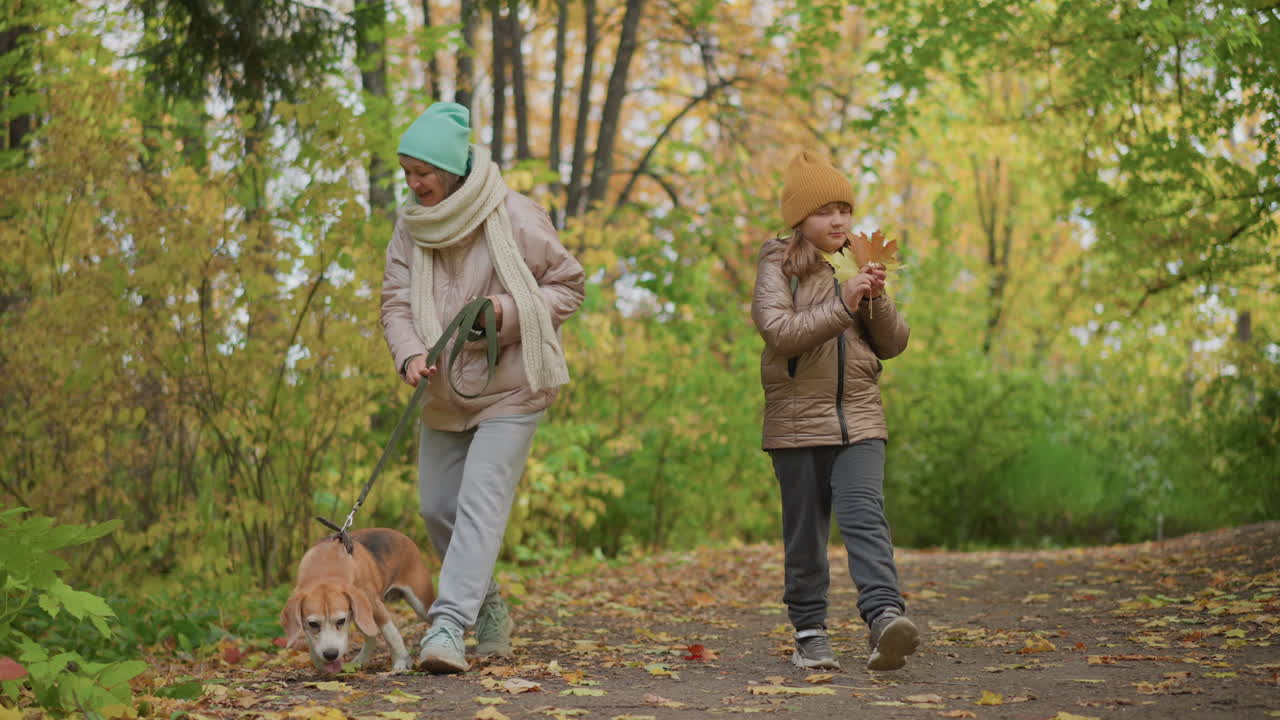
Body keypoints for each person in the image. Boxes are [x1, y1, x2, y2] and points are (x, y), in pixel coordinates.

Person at [380, 102, 585, 673]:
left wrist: (504, 310)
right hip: (443, 390)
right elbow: (396, 302)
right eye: (406, 173)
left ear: (451, 170)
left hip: (513, 387)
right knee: (437, 506)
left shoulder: (515, 215)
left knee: (479, 503)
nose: (413, 184)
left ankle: (448, 627)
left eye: (422, 173)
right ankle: (488, 600)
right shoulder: (411, 226)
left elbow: (568, 286)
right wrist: (411, 354)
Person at [749, 149, 920, 672]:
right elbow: (779, 332)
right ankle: (810, 631)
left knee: (865, 517)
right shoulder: (777, 261)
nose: (839, 219)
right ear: (799, 217)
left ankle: (885, 618)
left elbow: (893, 344)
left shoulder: (858, 255)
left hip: (861, 418)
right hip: (797, 424)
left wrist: (877, 299)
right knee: (806, 535)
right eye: (825, 210)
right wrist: (843, 303)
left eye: (844, 207)